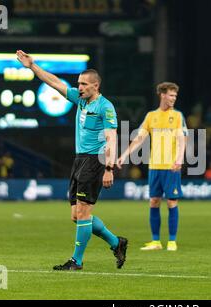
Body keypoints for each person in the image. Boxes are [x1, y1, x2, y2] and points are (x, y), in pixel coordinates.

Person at [16, 50, 128, 271]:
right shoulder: (80, 99)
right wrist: (32, 66)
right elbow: (54, 82)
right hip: (79, 160)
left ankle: (76, 261)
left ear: (96, 86)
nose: (80, 87)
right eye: (79, 84)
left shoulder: (105, 107)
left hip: (95, 161)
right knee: (77, 216)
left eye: (85, 84)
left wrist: (108, 168)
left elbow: (111, 137)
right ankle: (117, 243)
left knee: (84, 212)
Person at [117, 82, 187, 251]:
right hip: (154, 167)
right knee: (154, 202)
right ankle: (156, 241)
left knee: (171, 202)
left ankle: (172, 241)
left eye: (175, 96)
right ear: (162, 95)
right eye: (171, 95)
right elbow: (139, 138)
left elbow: (181, 139)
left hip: (171, 167)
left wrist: (179, 159)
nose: (173, 99)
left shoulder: (177, 116)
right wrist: (124, 155)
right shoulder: (151, 116)